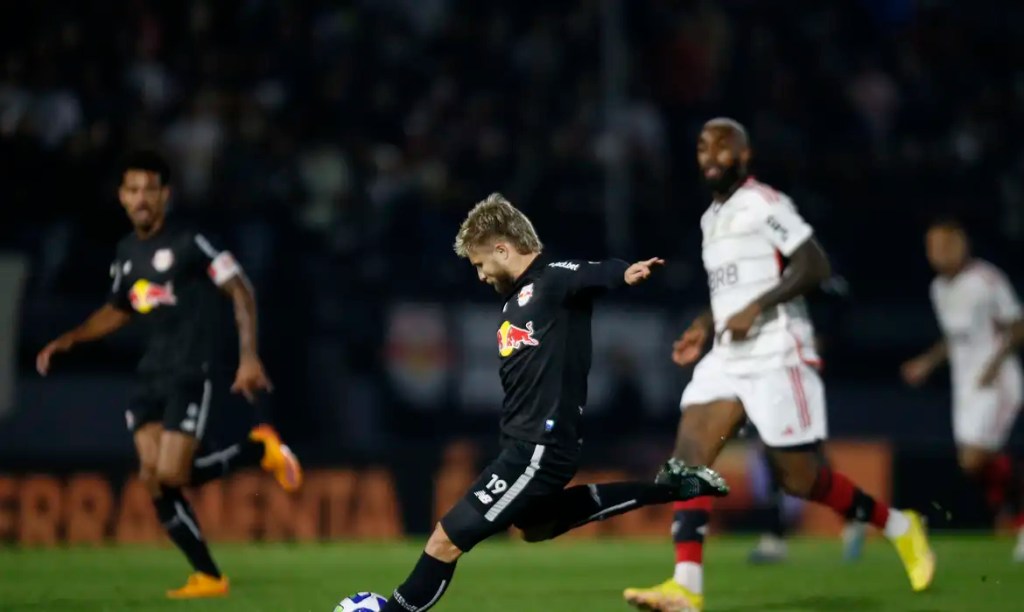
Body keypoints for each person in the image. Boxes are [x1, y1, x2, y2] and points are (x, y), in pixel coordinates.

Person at [622, 118, 934, 612]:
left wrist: (757, 307)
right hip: (728, 356)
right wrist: (706, 322)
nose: (710, 154)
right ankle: (685, 585)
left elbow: (813, 264)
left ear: (744, 157)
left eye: (722, 146)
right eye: (702, 145)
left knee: (800, 479)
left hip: (778, 352)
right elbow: (729, 292)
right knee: (688, 456)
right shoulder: (710, 220)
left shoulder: (764, 203)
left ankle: (899, 525)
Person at [378, 193, 729, 612]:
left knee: (445, 539)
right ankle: (669, 487)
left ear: (503, 249)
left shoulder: (551, 279)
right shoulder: (515, 299)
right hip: (525, 446)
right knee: (535, 526)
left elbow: (588, 273)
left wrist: (625, 273)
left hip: (537, 448)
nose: (480, 276)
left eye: (479, 264)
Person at [36, 150, 302, 599]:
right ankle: (208, 576)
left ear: (165, 195)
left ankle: (257, 451)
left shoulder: (190, 241)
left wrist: (249, 356)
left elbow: (239, 287)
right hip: (148, 375)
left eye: (149, 190)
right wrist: (71, 338)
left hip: (189, 370)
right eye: (133, 190)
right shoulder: (125, 253)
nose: (141, 198)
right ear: (122, 197)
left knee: (172, 474)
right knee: (154, 478)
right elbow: (119, 309)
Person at [901, 217, 1024, 561]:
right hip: (965, 384)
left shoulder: (987, 279)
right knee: (971, 464)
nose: (937, 253)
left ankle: (1017, 520)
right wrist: (925, 363)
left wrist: (994, 365)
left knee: (976, 457)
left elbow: (1017, 327)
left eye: (944, 245)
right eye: (931, 247)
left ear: (961, 245)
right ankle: (1010, 516)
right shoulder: (938, 288)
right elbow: (953, 340)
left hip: (996, 381)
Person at [745, 275, 866, 564]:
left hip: (797, 370)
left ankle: (851, 515)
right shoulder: (755, 269)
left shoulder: (799, 265)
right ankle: (777, 535)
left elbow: (838, 295)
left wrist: (823, 339)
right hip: (767, 368)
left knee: (800, 454)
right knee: (772, 451)